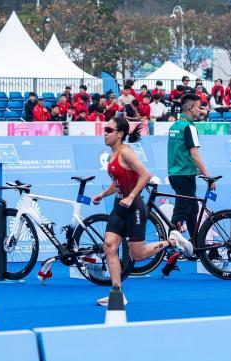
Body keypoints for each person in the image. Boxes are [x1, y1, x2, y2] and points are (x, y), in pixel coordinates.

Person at [92, 118, 183, 305]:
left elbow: (145, 175)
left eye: (109, 130)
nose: (105, 133)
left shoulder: (126, 152)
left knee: (138, 255)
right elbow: (116, 183)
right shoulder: (112, 154)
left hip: (134, 208)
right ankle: (117, 293)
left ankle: (172, 241)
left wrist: (131, 196)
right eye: (105, 129)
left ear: (120, 134)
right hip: (119, 206)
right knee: (109, 246)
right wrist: (103, 194)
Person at [167, 93, 216, 253]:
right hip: (185, 175)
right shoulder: (189, 127)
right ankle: (171, 250)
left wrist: (198, 171)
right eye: (199, 107)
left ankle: (195, 245)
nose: (201, 111)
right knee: (179, 213)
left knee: (193, 210)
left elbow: (181, 152)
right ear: (191, 108)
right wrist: (208, 176)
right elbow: (194, 154)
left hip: (175, 174)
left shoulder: (174, 126)